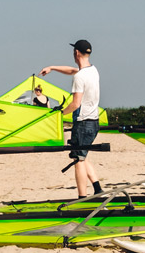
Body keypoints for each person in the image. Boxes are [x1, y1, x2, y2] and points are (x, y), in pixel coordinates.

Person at [40, 39, 102, 197]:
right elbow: (72, 70)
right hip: (94, 122)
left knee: (78, 160)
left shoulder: (80, 77)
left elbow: (75, 104)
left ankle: (82, 197)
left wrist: (59, 115)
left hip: (82, 123)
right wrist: (52, 68)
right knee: (83, 154)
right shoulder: (93, 70)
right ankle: (98, 188)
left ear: (76, 53)